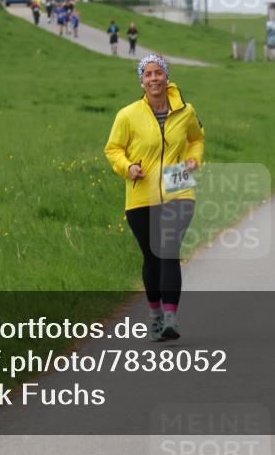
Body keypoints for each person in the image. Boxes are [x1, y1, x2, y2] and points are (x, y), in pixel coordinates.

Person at [104, 55, 205, 341]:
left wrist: (193, 159)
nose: (153, 79)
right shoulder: (128, 115)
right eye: (147, 74)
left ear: (167, 77)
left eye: (158, 73)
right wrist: (128, 167)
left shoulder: (185, 111)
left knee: (169, 251)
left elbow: (197, 138)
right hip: (141, 193)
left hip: (179, 188)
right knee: (152, 256)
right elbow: (113, 149)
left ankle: (171, 318)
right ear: (141, 81)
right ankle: (155, 316)